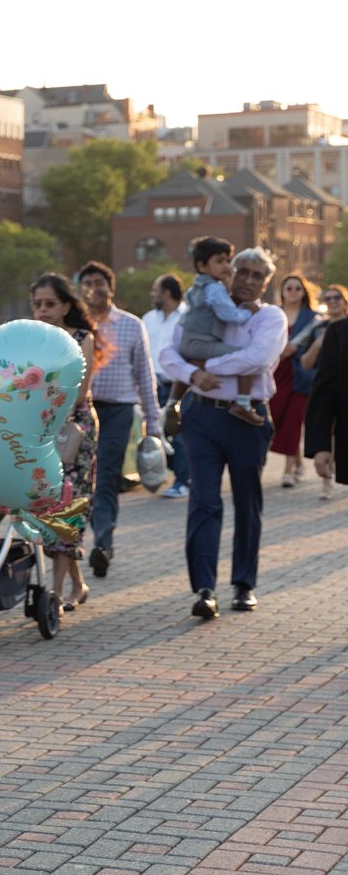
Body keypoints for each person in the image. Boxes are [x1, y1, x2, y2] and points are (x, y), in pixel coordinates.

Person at [155, 248, 284, 619]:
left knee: (247, 501)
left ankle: (244, 584)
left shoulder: (270, 317)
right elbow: (167, 354)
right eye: (241, 271)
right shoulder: (205, 306)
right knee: (204, 500)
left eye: (256, 275)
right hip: (203, 418)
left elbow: (257, 359)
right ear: (228, 273)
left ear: (266, 282)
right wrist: (194, 374)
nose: (246, 280)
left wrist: (202, 364)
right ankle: (205, 588)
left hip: (248, 419)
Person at [75, 261, 164, 580]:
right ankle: (83, 540)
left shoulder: (131, 324)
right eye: (87, 283)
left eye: (99, 282)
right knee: (81, 478)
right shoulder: (75, 325)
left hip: (118, 410)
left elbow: (145, 373)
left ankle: (102, 544)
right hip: (79, 411)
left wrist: (154, 425)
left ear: (110, 288)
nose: (94, 289)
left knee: (108, 474)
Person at [29, 273, 107, 612]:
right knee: (44, 507)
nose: (43, 311)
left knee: (68, 504)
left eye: (50, 304)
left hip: (73, 431)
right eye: (37, 305)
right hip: (38, 429)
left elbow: (77, 391)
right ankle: (78, 583)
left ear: (64, 306)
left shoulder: (81, 338)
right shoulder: (29, 341)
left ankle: (56, 594)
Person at [164, 237, 261, 425]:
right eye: (219, 261)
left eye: (227, 260)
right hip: (203, 342)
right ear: (202, 266)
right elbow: (229, 315)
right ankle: (243, 403)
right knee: (247, 357)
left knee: (198, 360)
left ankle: (172, 402)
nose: (226, 265)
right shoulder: (214, 289)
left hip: (189, 340)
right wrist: (248, 312)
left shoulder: (196, 287)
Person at [269, 273, 322, 487]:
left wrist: (296, 349)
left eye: (297, 288)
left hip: (300, 376)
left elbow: (317, 346)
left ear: (303, 292)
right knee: (278, 419)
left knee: (292, 422)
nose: (292, 292)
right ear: (281, 292)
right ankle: (299, 463)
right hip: (275, 374)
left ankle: (288, 472)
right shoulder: (273, 315)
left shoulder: (312, 318)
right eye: (288, 288)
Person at [141, 273, 190, 500]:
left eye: (156, 290)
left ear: (167, 293)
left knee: (179, 434)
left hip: (179, 385)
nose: (153, 295)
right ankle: (172, 473)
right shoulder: (148, 319)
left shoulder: (188, 317)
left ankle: (182, 481)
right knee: (156, 433)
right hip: (154, 385)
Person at [300, 285, 348, 500]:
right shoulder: (336, 332)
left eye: (337, 297)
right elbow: (324, 391)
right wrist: (320, 445)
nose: (333, 301)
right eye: (328, 298)